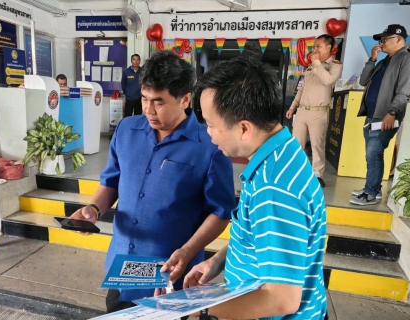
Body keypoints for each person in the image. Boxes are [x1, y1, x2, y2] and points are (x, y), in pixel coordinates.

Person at [69, 50, 235, 313]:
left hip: (170, 271)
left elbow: (221, 212)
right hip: (124, 267)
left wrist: (189, 251)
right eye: (145, 99)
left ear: (185, 100)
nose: (148, 109)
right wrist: (94, 210)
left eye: (158, 102)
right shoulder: (127, 130)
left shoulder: (210, 146)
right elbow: (111, 181)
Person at [183, 57, 328, 320]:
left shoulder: (272, 188)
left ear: (244, 128)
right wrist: (216, 262)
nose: (209, 134)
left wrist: (199, 311)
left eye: (211, 124)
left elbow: (281, 299)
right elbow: (259, 239)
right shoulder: (282, 150)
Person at [350, 24, 410, 206]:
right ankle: (373, 188)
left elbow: (405, 91)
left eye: (385, 39)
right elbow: (363, 80)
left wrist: (392, 112)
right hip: (371, 115)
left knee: (373, 154)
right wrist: (372, 59)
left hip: (385, 115)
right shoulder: (383, 61)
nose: (381, 43)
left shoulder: (409, 59)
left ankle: (370, 192)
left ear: (398, 39)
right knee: (373, 154)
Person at [286, 34, 343, 188]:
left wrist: (316, 62)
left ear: (328, 48)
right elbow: (302, 89)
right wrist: (293, 106)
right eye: (314, 46)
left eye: (318, 46)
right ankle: (296, 173)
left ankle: (317, 175)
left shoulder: (335, 66)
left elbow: (328, 80)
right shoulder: (310, 67)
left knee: (317, 146)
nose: (315, 49)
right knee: (296, 145)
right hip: (302, 111)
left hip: (319, 112)